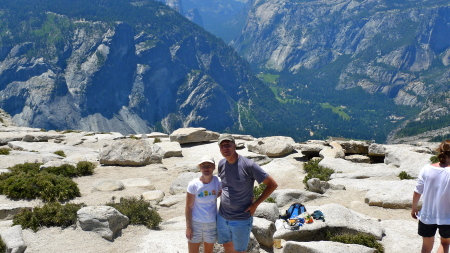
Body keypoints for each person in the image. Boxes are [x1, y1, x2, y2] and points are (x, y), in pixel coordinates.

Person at [217, 134, 278, 253]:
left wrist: (255, 205)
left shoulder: (248, 165)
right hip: (222, 216)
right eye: (222, 146)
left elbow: (272, 184)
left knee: (240, 250)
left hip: (241, 218)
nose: (225, 148)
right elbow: (224, 184)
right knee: (227, 245)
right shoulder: (221, 164)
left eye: (228, 145)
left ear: (234, 145)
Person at [411, 139, 450, 253]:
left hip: (427, 215)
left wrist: (414, 208)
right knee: (445, 243)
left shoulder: (426, 169)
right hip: (447, 217)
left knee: (426, 246)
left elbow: (417, 192)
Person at [185, 155, 222, 253]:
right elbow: (188, 207)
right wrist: (188, 227)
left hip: (211, 222)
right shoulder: (193, 185)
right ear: (200, 168)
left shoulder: (218, 181)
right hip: (196, 222)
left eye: (209, 165)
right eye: (203, 166)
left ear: (214, 167)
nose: (206, 168)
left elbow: (223, 192)